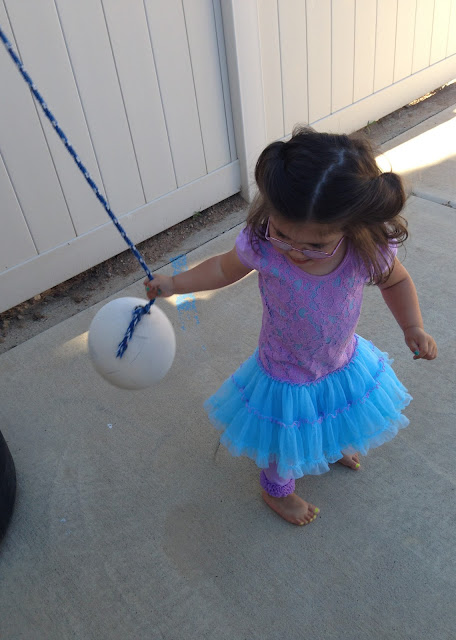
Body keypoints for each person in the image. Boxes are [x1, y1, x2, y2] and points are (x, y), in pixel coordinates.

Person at [144, 127, 437, 527]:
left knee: (336, 407)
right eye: (282, 233)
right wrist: (175, 284)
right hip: (285, 368)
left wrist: (412, 326)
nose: (295, 251)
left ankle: (329, 446)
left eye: (315, 245)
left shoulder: (362, 251)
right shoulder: (263, 246)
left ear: (352, 226)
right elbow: (222, 269)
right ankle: (276, 490)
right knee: (285, 435)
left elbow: (396, 282)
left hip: (339, 359)